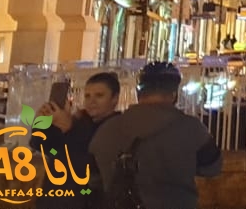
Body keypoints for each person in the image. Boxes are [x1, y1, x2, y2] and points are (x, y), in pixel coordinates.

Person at [90, 62, 222, 209]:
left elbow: (92, 180)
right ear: (174, 94)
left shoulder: (108, 130)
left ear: (139, 93)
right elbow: (213, 168)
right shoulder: (192, 129)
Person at [30, 72, 122, 207]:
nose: (92, 101)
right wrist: (42, 124)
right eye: (87, 96)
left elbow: (91, 164)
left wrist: (69, 129)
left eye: (99, 96)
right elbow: (42, 146)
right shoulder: (77, 121)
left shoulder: (116, 127)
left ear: (115, 99)